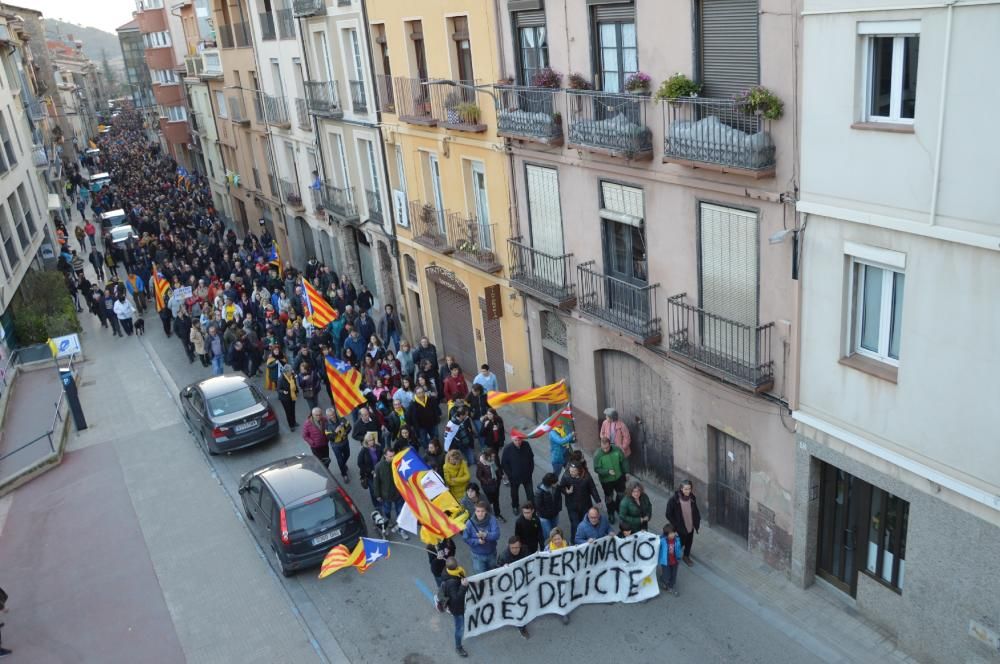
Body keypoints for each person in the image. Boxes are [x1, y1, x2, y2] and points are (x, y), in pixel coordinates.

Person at [559, 461, 601, 543]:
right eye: (570, 471)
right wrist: (566, 491)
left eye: (573, 471)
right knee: (575, 524)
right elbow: (561, 487)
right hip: (572, 505)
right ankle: (574, 541)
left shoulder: (586, 476)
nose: (571, 473)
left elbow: (592, 488)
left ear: (579, 470)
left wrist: (598, 500)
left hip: (585, 504)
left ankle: (586, 540)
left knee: (586, 523)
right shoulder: (566, 476)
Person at [373, 447, 409, 540]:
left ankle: (401, 529)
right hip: (386, 495)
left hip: (398, 494)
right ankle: (388, 523)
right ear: (385, 456)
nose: (393, 458)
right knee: (387, 511)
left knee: (400, 513)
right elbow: (376, 483)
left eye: (394, 455)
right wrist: (377, 495)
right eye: (390, 456)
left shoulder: (398, 464)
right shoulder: (379, 467)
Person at [593, 436, 629, 525]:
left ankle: (618, 509)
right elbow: (596, 469)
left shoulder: (617, 450)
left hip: (619, 477)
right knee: (609, 498)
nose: (605, 449)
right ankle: (611, 513)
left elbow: (623, 461)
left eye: (607, 447)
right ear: (601, 445)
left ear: (610, 444)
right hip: (606, 481)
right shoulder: (597, 455)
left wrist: (627, 472)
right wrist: (607, 471)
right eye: (603, 448)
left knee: (621, 495)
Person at [438, 558, 470, 658]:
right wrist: (464, 586)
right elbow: (456, 600)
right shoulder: (452, 582)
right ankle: (458, 647)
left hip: (459, 606)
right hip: (457, 609)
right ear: (456, 566)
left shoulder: (448, 572)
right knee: (459, 628)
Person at [665, 480, 701, 566]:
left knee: (689, 542)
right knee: (680, 543)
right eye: (685, 489)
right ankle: (671, 556)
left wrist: (697, 520)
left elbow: (695, 510)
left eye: (689, 489)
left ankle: (686, 556)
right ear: (681, 489)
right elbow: (668, 514)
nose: (687, 491)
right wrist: (676, 525)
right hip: (681, 527)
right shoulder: (674, 500)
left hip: (691, 525)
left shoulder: (692, 498)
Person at [461, 501, 500, 575]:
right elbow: (465, 538)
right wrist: (477, 541)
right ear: (475, 511)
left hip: (491, 552)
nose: (480, 514)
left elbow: (497, 535)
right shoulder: (469, 523)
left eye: (482, 511)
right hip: (477, 555)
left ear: (486, 511)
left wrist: (485, 535)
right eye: (478, 511)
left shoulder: (492, 520)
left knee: (494, 573)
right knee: (481, 575)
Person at [500, 435, 534, 513]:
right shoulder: (507, 449)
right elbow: (504, 464)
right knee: (514, 494)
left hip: (527, 476)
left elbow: (531, 458)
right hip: (514, 478)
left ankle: (531, 506)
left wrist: (530, 471)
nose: (518, 442)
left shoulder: (526, 445)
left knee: (530, 493)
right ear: (512, 439)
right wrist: (510, 475)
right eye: (516, 440)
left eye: (519, 440)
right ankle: (515, 506)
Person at [475, 448, 504, 522]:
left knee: (496, 500)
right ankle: (487, 515)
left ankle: (497, 514)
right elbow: (479, 476)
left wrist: (500, 476)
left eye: (494, 456)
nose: (494, 458)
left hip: (496, 484)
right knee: (489, 501)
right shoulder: (481, 464)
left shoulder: (493, 460)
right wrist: (488, 481)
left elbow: (497, 469)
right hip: (488, 486)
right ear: (487, 457)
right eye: (492, 456)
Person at [324, 408, 352, 481]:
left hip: (345, 441)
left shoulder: (341, 419)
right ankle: (344, 474)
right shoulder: (326, 425)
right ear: (327, 416)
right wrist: (335, 432)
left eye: (333, 414)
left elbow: (349, 427)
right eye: (330, 415)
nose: (332, 416)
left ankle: (343, 465)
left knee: (347, 455)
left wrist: (346, 432)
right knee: (340, 460)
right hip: (336, 445)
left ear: (335, 413)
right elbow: (330, 438)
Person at [356, 431, 383, 504]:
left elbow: (382, 458)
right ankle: (376, 504)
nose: (371, 442)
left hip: (379, 472)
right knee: (373, 490)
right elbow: (360, 463)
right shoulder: (363, 451)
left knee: (380, 486)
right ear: (366, 442)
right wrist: (370, 471)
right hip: (369, 475)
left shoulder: (378, 447)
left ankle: (381, 498)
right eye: (369, 441)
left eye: (372, 440)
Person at [535, 472, 562, 541]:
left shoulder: (556, 487)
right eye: (555, 482)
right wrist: (547, 513)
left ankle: (554, 544)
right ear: (550, 483)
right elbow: (538, 506)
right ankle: (545, 545)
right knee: (548, 533)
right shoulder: (540, 492)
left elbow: (559, 498)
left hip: (555, 513)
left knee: (555, 531)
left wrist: (558, 508)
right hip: (544, 517)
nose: (557, 483)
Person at [659, 524, 683, 595]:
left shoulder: (677, 540)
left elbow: (678, 549)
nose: (672, 535)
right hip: (665, 562)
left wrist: (679, 557)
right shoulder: (662, 541)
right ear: (666, 535)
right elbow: (655, 543)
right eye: (670, 534)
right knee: (667, 575)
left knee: (673, 575)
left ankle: (670, 586)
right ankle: (664, 581)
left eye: (673, 533)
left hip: (675, 561)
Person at [277, 365, 299, 430]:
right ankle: (291, 425)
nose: (291, 372)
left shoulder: (292, 376)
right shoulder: (281, 379)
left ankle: (294, 422)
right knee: (288, 412)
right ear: (286, 372)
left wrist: (296, 391)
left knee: (292, 410)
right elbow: (278, 389)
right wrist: (283, 391)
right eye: (290, 371)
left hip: (292, 395)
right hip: (285, 398)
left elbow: (294, 384)